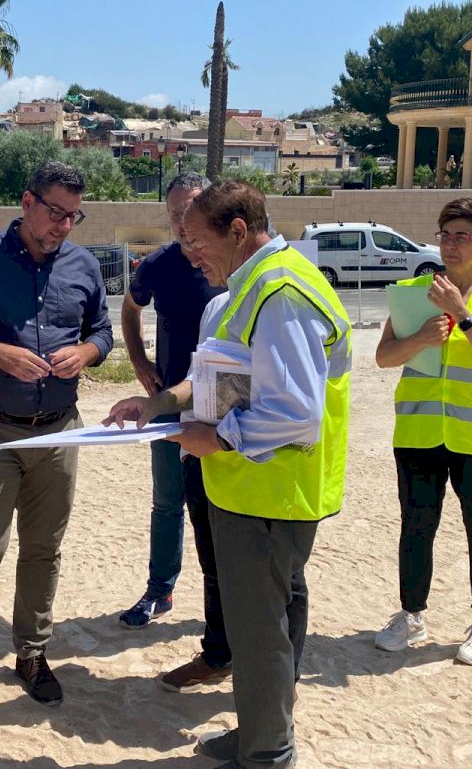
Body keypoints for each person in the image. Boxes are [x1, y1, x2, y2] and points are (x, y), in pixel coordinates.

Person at [107, 180, 350, 769]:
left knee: (259, 631)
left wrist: (212, 438)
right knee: (263, 622)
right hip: (251, 490)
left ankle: (267, 752)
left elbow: (295, 411)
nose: (188, 253)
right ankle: (260, 732)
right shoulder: (245, 290)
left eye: (196, 241)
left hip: (272, 493)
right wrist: (159, 403)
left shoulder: (280, 293)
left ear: (238, 231)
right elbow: (217, 379)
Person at [0, 162, 112, 732]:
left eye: (73, 216)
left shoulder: (83, 265)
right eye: (55, 212)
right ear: (27, 202)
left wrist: (87, 353)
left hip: (59, 429)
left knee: (43, 550)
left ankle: (31, 654)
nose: (63, 226)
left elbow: (103, 330)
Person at [373, 196, 472, 668]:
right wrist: (420, 338)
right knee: (416, 527)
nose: (450, 245)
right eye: (445, 235)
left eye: (462, 236)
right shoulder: (412, 291)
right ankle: (411, 615)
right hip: (418, 433)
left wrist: (463, 315)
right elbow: (383, 357)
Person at [117, 172, 225, 632]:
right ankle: (160, 590)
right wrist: (139, 360)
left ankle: (225, 600)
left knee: (221, 506)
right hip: (168, 404)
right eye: (175, 212)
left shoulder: (228, 263)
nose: (183, 222)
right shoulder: (157, 264)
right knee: (167, 503)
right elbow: (130, 307)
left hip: (223, 405)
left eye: (191, 210)